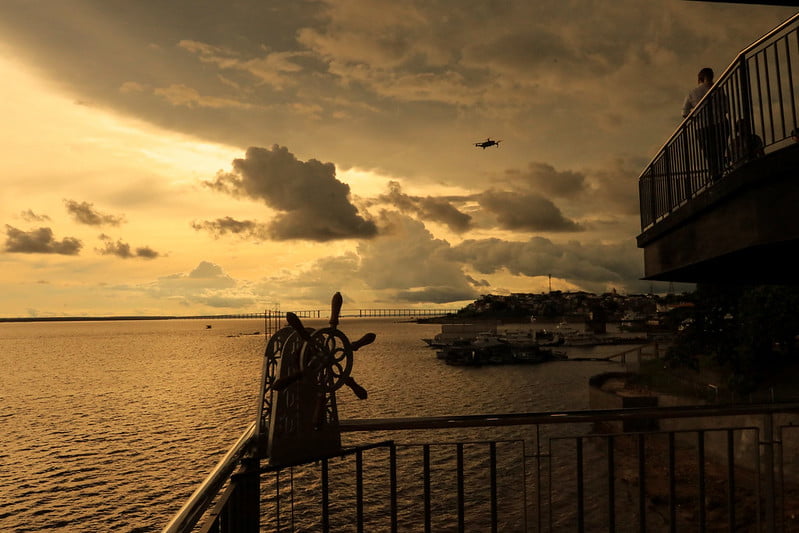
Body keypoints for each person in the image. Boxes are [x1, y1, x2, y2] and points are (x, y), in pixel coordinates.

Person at [683, 67, 729, 180]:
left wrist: (694, 116)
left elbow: (684, 112)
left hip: (702, 127)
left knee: (709, 152)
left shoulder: (692, 92)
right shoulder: (718, 89)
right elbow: (726, 108)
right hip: (721, 123)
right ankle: (719, 171)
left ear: (700, 79)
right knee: (720, 150)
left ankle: (714, 174)